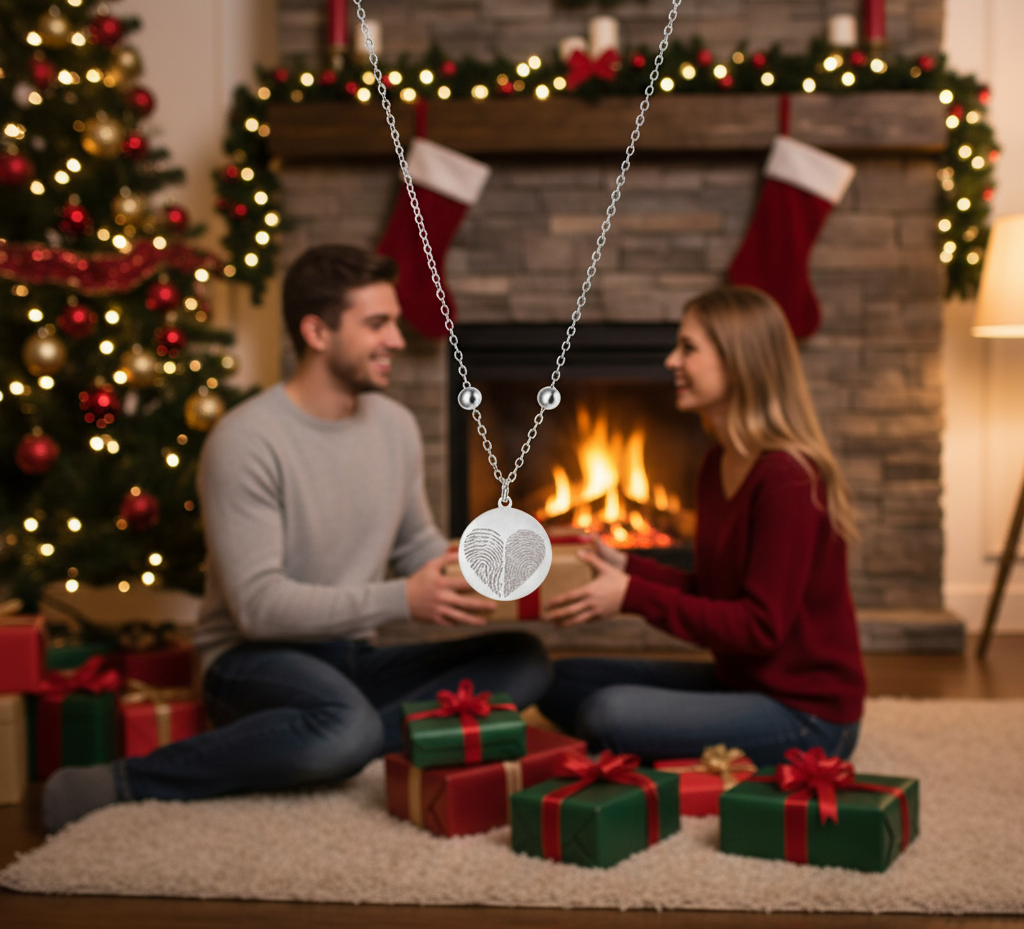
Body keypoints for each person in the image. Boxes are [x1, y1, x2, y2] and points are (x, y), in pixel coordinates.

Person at [42, 244, 551, 832]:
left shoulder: (396, 426)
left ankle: (336, 741)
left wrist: (512, 566)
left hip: (351, 655)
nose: (397, 340)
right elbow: (258, 609)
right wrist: (401, 599)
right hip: (251, 658)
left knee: (523, 661)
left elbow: (416, 546)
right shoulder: (247, 440)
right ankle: (127, 781)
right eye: (377, 324)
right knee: (346, 725)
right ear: (316, 331)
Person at [539, 286, 865, 765]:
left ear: (738, 361)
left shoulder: (788, 479)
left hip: (807, 716)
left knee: (609, 714)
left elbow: (759, 626)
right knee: (560, 681)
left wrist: (631, 596)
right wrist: (624, 565)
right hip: (741, 685)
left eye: (688, 348)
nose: (671, 361)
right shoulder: (717, 464)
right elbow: (713, 590)